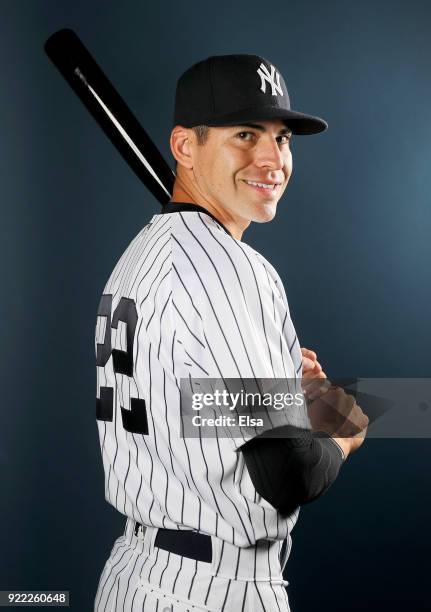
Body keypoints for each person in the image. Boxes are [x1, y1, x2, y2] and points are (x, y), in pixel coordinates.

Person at [93, 54, 368, 611]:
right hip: (213, 591)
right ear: (185, 147)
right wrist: (342, 429)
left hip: (138, 575)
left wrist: (280, 395)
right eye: (245, 134)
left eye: (283, 138)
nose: (272, 159)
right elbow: (288, 472)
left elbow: (199, 408)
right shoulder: (227, 270)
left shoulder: (143, 254)